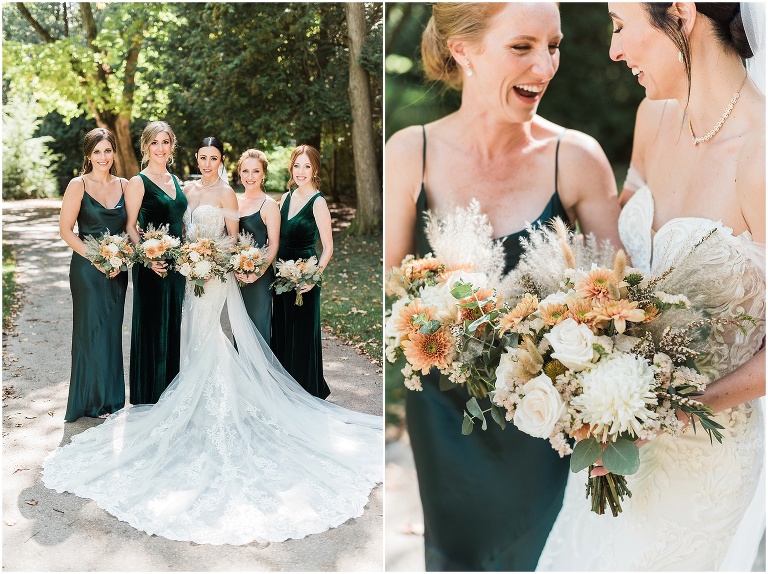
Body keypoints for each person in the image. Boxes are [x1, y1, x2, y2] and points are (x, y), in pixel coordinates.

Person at [384, 3, 622, 571]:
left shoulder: (576, 158)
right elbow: (390, 287)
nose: (544, 65)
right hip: (446, 417)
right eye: (522, 47)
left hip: (547, 427)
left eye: (554, 45)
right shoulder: (409, 153)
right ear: (462, 51)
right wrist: (429, 314)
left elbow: (618, 305)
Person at [537, 3, 765, 571]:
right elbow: (616, 259)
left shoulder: (762, 153)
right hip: (614, 451)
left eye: (619, 23)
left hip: (705, 467)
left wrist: (671, 410)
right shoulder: (654, 117)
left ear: (680, 13)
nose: (613, 50)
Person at [41, 186, 383, 545]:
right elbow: (182, 232)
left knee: (212, 335)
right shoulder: (186, 190)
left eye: (213, 157)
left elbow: (234, 238)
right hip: (191, 272)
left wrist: (218, 261)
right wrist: (189, 258)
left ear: (219, 161)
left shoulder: (227, 194)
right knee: (194, 333)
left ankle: (216, 391)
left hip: (216, 273)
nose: (207, 162)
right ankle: (192, 385)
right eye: (203, 157)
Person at [58, 128, 129, 421]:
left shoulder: (125, 185)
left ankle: (111, 400)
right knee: (91, 333)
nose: (103, 157)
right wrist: (97, 258)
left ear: (114, 153)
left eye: (108, 151)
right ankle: (90, 402)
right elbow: (66, 231)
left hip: (118, 270)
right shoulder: (78, 184)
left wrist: (123, 255)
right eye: (97, 151)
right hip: (88, 270)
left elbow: (130, 229)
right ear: (88, 155)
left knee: (112, 332)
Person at [125, 121, 188, 405]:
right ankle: (148, 395)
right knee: (151, 326)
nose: (160, 148)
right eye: (154, 143)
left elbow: (181, 222)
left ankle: (171, 394)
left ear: (172, 145)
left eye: (165, 142)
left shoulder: (176, 181)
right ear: (146, 147)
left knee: (173, 324)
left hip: (176, 266)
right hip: (151, 265)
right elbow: (129, 226)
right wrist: (146, 259)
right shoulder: (139, 182)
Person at [271, 145, 333, 399]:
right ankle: (284, 390)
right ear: (291, 167)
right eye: (297, 165)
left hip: (305, 277)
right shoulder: (285, 199)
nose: (301, 171)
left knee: (303, 334)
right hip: (281, 275)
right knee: (283, 329)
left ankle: (306, 391)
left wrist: (313, 277)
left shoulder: (318, 202)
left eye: (307, 166)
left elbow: (328, 247)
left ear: (315, 169)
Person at [235, 149, 280, 343]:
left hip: (260, 278)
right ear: (239, 173)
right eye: (245, 171)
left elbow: (274, 244)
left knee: (258, 327)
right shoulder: (234, 201)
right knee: (239, 328)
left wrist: (257, 272)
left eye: (255, 171)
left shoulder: (269, 205)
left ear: (263, 174)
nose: (250, 177)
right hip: (237, 277)